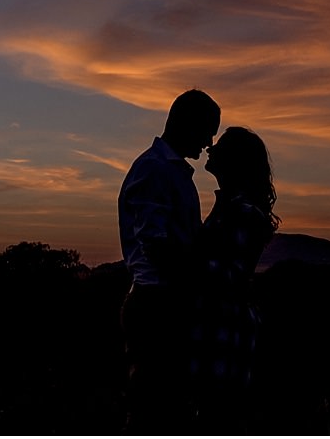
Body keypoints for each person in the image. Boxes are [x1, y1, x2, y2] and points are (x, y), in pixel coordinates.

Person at [118, 89, 221, 432]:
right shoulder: (155, 170)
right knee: (154, 406)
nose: (209, 142)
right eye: (208, 131)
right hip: (157, 302)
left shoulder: (170, 171)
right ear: (187, 124)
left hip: (164, 300)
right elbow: (156, 244)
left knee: (169, 403)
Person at [188, 126, 281, 432]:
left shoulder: (241, 212)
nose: (211, 148)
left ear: (235, 161)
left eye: (221, 146)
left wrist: (179, 258)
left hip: (224, 330)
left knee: (217, 418)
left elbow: (231, 275)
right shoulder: (230, 207)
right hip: (217, 327)